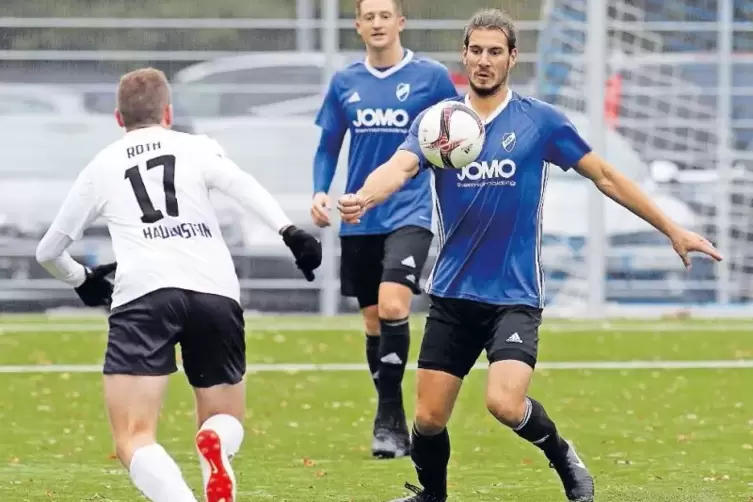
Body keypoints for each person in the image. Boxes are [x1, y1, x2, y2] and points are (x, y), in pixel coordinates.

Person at [337, 8, 723, 502]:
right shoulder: (440, 123)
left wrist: (671, 227)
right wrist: (365, 196)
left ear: (512, 57)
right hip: (454, 295)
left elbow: (604, 175)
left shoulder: (539, 121)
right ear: (464, 54)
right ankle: (431, 495)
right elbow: (400, 165)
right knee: (429, 420)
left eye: (494, 51)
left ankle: (562, 455)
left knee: (503, 402)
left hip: (514, 295)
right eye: (475, 50)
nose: (483, 60)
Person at [35, 67, 322, 502]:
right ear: (168, 112)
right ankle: (218, 446)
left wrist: (82, 280)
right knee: (224, 419)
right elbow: (241, 186)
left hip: (144, 294)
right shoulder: (198, 147)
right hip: (214, 290)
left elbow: (48, 251)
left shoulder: (103, 164)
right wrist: (290, 231)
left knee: (134, 437)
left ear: (118, 119)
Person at [310, 0, 459, 459]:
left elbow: (455, 134)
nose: (377, 23)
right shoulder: (345, 83)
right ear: (358, 26)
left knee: (396, 304)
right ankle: (390, 412)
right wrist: (320, 191)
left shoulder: (431, 78)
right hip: (359, 218)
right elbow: (328, 145)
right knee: (374, 321)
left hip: (410, 213)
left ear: (400, 22)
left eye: (384, 15)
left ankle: (388, 419)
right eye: (368, 17)